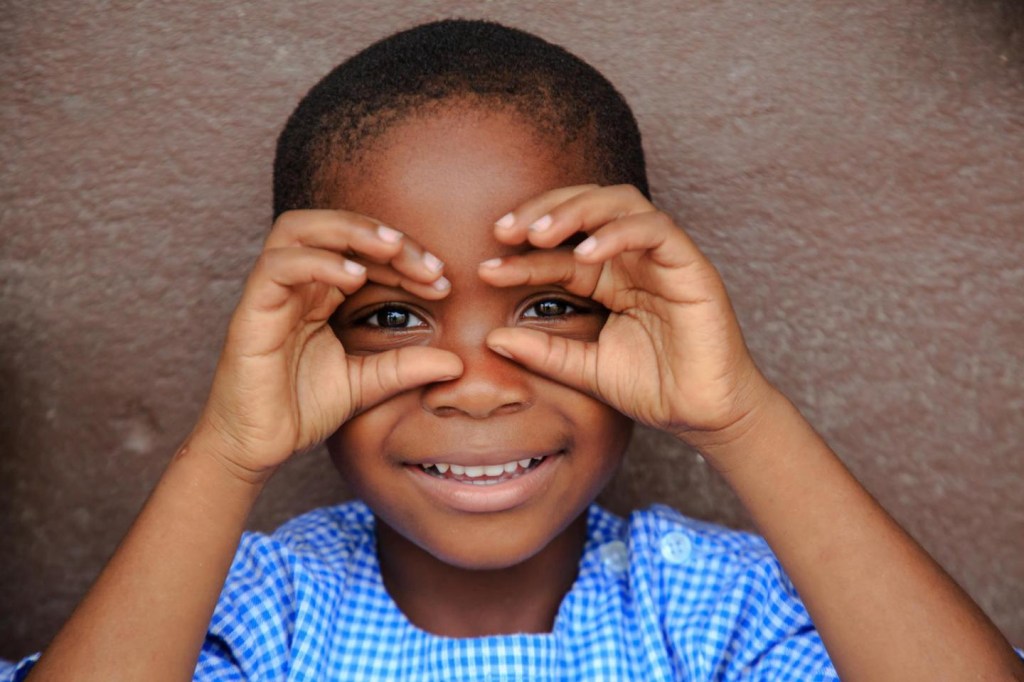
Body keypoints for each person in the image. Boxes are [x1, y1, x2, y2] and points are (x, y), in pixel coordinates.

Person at [6, 18, 1022, 682]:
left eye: (546, 305)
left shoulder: (712, 611)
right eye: (391, 317)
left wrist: (739, 416)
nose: (479, 388)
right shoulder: (254, 614)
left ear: (636, 314)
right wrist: (229, 451)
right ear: (304, 336)